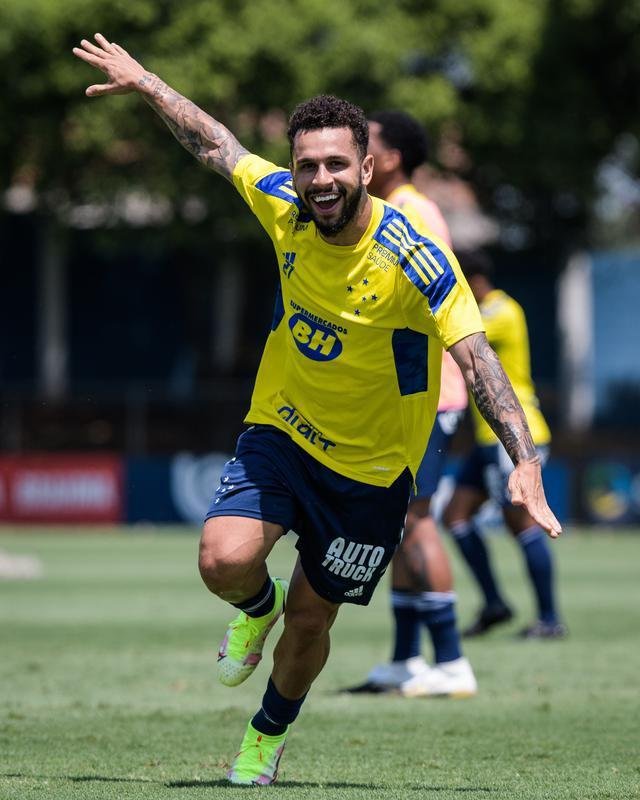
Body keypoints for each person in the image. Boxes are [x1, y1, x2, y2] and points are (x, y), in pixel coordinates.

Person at [73, 35, 562, 786]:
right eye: (308, 165)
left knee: (313, 620)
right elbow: (216, 143)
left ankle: (266, 735)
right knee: (222, 560)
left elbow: (477, 360)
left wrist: (524, 462)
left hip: (372, 474)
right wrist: (146, 84)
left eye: (338, 164)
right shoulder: (282, 206)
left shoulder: (415, 254)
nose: (321, 179)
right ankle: (253, 605)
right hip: (284, 432)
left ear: (368, 168)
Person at [345, 110, 475, 698]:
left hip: (428, 393)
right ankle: (405, 659)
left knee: (418, 520)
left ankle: (451, 660)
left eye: (364, 144)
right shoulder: (397, 209)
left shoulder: (412, 212)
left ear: (389, 157)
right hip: (405, 392)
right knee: (400, 522)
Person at [443, 250, 566, 639]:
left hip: (518, 436)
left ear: (474, 280)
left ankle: (549, 619)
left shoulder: (502, 311)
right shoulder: (486, 309)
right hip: (485, 439)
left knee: (521, 524)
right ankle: (495, 603)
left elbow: (458, 340)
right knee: (455, 517)